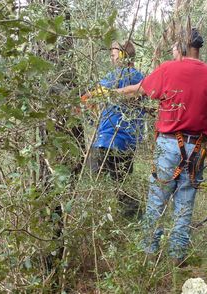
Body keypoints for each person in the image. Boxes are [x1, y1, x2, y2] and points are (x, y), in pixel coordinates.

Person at [116, 28, 207, 265]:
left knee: (157, 201)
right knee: (184, 204)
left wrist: (109, 93)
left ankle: (149, 254)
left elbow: (138, 90)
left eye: (174, 46)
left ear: (182, 47)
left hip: (170, 144)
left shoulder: (169, 68)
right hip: (197, 149)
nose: (172, 51)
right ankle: (176, 258)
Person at [82, 40, 145, 217]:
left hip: (108, 139)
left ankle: (94, 221)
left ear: (124, 56)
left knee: (89, 183)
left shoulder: (116, 77)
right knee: (123, 186)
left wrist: (90, 111)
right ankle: (132, 222)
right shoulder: (140, 77)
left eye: (114, 55)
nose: (111, 58)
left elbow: (89, 96)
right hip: (128, 142)